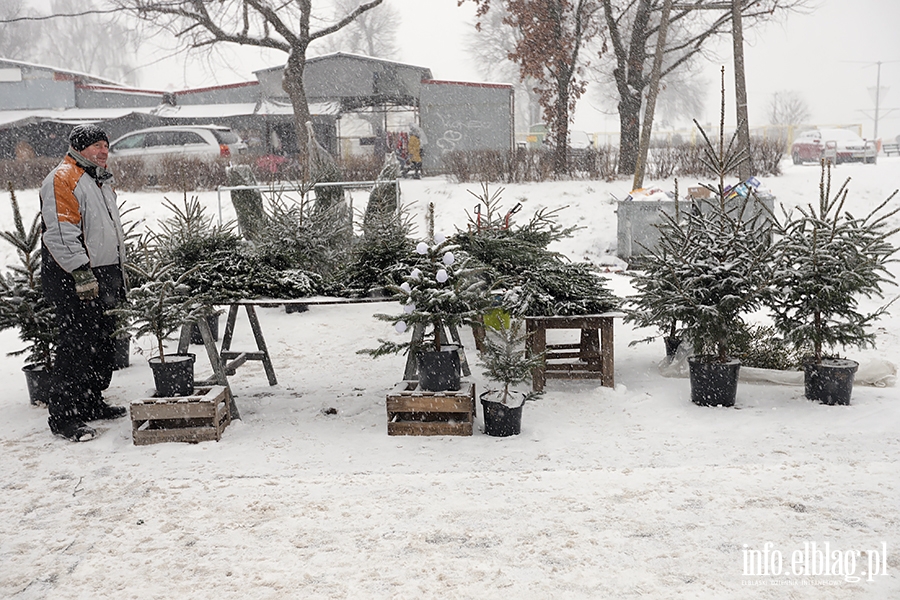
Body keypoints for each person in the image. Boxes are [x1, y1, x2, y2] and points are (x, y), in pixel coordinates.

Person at [40, 124, 128, 442]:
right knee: (76, 345)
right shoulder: (64, 177)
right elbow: (61, 231)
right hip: (73, 276)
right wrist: (80, 272)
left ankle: (91, 401)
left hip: (103, 273)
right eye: (97, 146)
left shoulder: (99, 179)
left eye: (106, 145)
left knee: (102, 342)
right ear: (79, 148)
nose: (104, 151)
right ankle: (64, 416)